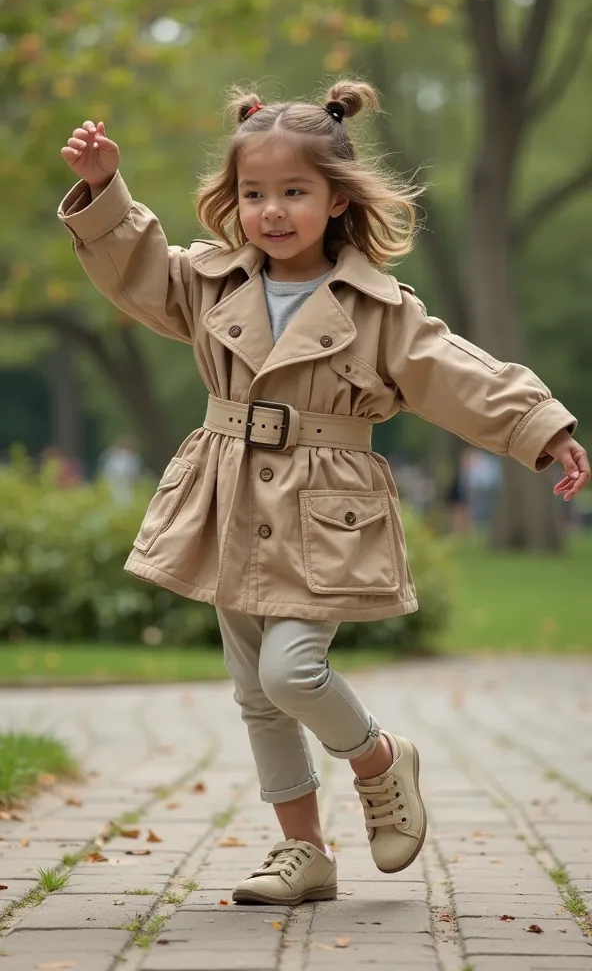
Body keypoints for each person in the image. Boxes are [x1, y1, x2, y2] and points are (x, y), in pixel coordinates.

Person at [57, 82, 590, 906]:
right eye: (254, 194)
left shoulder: (378, 308)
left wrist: (539, 427)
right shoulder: (210, 282)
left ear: (336, 199)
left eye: (294, 192)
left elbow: (454, 372)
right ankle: (302, 852)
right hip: (230, 497)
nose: (272, 211)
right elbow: (137, 272)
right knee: (254, 693)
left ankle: (379, 759)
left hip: (325, 510)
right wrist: (103, 191)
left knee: (292, 672)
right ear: (233, 202)